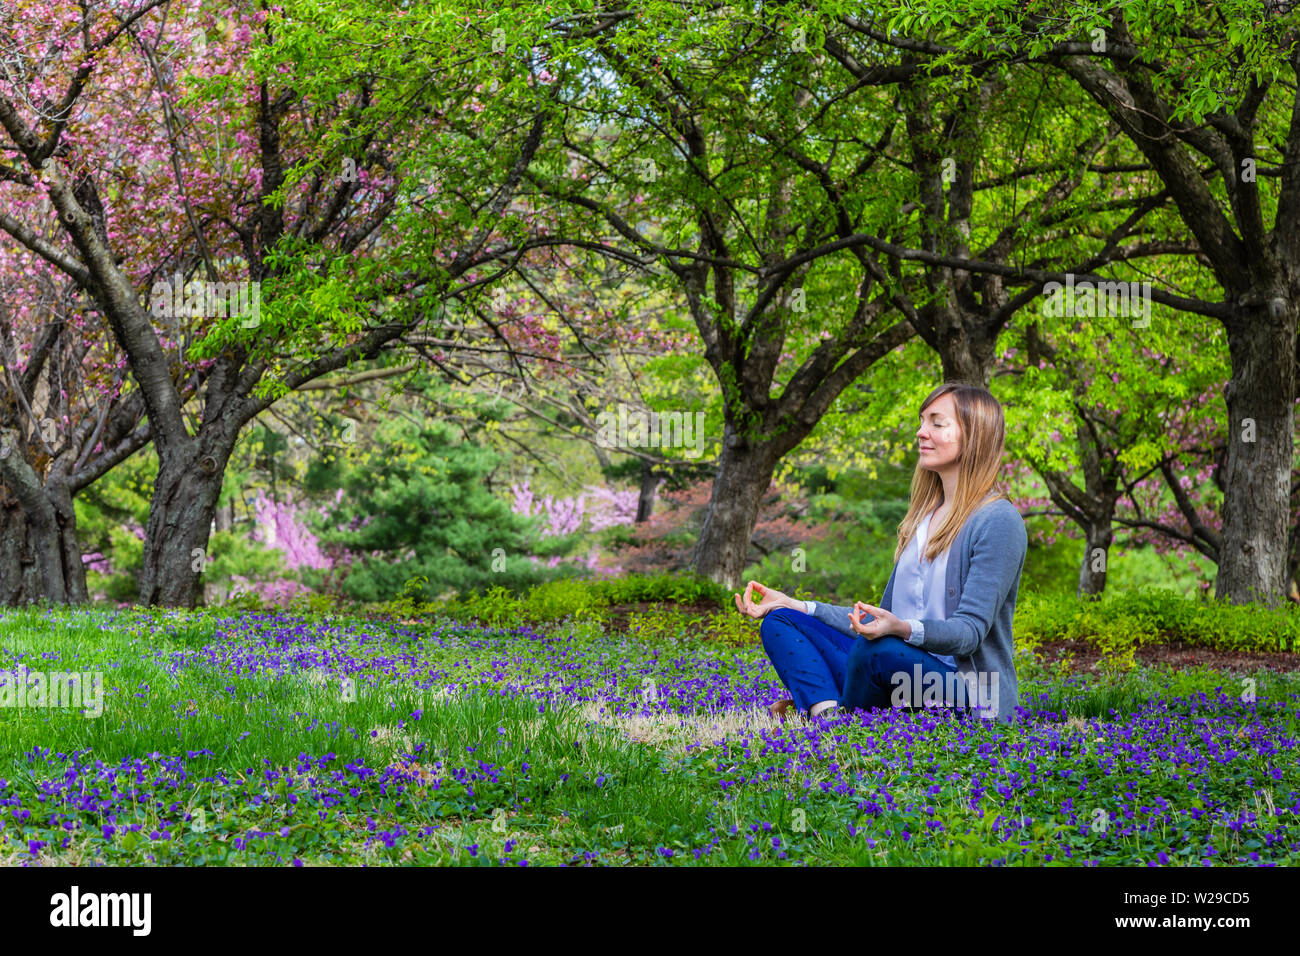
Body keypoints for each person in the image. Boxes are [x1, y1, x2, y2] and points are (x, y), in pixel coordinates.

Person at [735, 382, 1027, 723]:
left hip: (965, 691)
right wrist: (797, 605)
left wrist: (901, 629)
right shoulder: (923, 518)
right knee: (782, 621)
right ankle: (829, 716)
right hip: (893, 669)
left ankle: (834, 716)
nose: (921, 432)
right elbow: (876, 623)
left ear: (975, 435)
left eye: (937, 422)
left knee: (881, 649)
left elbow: (969, 633)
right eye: (921, 421)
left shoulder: (997, 520)